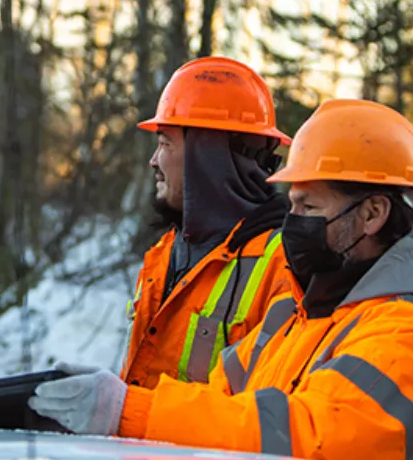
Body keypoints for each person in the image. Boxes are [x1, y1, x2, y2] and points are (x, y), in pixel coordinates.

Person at [29, 98, 413, 460]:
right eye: (291, 204)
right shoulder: (299, 322)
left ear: (372, 214)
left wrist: (129, 412)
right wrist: (115, 399)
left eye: (309, 206)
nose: (292, 222)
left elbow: (315, 446)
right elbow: (219, 405)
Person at [122, 56, 300, 389]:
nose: (153, 161)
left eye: (164, 143)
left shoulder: (284, 268)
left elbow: (263, 418)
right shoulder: (163, 256)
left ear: (206, 157)